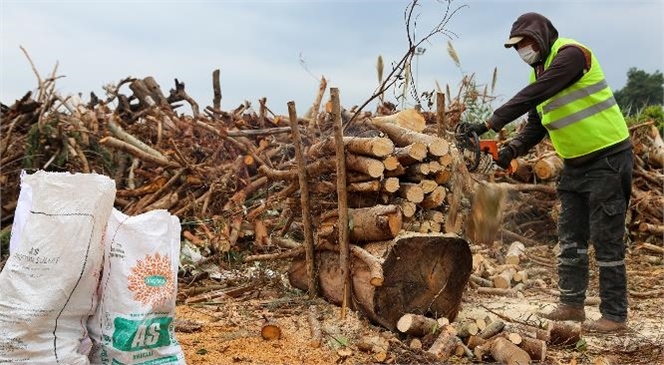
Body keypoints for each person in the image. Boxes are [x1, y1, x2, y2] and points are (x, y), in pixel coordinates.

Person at [468, 12, 633, 333]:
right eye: (517, 47)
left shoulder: (572, 56)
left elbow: (536, 94)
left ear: (541, 37)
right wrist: (509, 152)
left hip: (608, 159)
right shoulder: (539, 78)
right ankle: (571, 304)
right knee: (570, 236)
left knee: (606, 237)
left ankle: (615, 314)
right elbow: (535, 125)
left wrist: (490, 122)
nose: (523, 51)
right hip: (575, 165)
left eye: (526, 43)